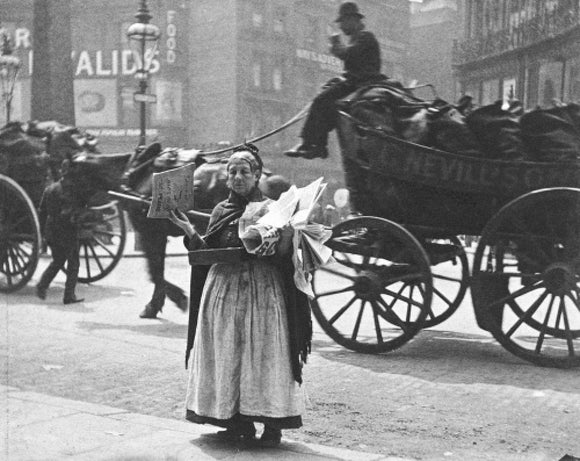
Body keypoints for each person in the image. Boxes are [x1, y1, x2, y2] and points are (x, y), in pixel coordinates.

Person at [169, 144, 312, 447]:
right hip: (223, 292)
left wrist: (287, 238)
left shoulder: (275, 208)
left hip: (262, 292)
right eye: (231, 171)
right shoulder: (221, 210)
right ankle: (235, 421)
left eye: (244, 171)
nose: (237, 177)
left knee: (265, 355)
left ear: (257, 174)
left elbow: (286, 257)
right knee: (228, 355)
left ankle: (272, 424)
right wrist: (188, 230)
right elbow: (207, 252)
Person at [285, 2, 384, 160]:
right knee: (326, 101)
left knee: (320, 100)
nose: (342, 27)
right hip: (356, 81)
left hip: (362, 82)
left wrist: (336, 43)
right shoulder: (357, 38)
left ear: (353, 20)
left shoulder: (366, 37)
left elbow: (349, 55)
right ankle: (318, 145)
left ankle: (310, 143)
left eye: (343, 22)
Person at [36, 160, 87, 304]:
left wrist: (43, 233)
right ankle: (68, 295)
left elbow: (42, 212)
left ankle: (43, 285)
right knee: (73, 264)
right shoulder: (74, 191)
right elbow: (81, 208)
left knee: (58, 261)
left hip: (52, 231)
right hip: (68, 231)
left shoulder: (50, 189)